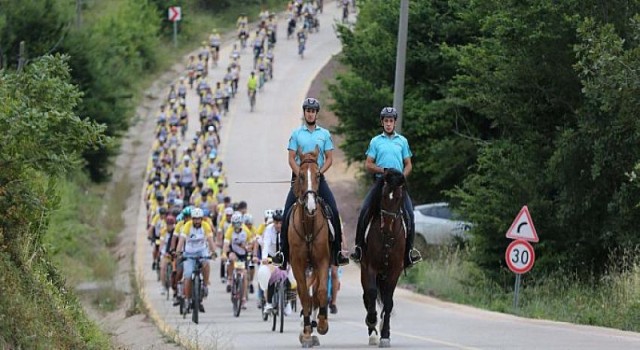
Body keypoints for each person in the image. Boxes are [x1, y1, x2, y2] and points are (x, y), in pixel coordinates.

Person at [272, 98, 350, 268]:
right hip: (300, 181)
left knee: (334, 210)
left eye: (313, 111)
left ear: (316, 113)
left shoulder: (324, 134)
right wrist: (300, 173)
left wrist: (318, 173)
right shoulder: (296, 134)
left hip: (317, 179)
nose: (310, 113)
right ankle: (283, 253)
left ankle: (337, 252)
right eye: (307, 110)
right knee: (287, 213)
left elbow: (329, 158)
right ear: (304, 112)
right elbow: (291, 158)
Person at [350, 107, 422, 268]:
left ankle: (409, 252)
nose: (389, 124)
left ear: (395, 123)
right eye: (386, 121)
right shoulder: (376, 141)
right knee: (365, 210)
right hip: (381, 183)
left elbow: (409, 164)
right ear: (382, 123)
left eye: (391, 121)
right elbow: (368, 164)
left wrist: (402, 176)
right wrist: (383, 171)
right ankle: (359, 248)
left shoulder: (402, 141)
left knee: (409, 214)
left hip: (398, 184)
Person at [175, 208, 217, 313]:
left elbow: (210, 240)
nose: (197, 221)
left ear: (202, 219)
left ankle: (205, 285)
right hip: (189, 253)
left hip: (202, 251)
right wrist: (178, 252)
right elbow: (181, 240)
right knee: (188, 275)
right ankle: (188, 299)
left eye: (199, 219)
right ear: (192, 219)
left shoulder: (206, 226)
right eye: (195, 219)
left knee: (206, 263)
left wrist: (213, 252)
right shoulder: (187, 226)